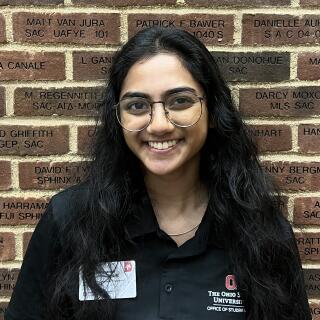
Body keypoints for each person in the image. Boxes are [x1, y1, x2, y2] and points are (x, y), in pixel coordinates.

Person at [5, 26, 311, 320]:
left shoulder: (260, 231)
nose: (159, 124)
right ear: (118, 118)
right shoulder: (70, 220)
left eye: (180, 101)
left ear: (214, 112)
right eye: (137, 105)